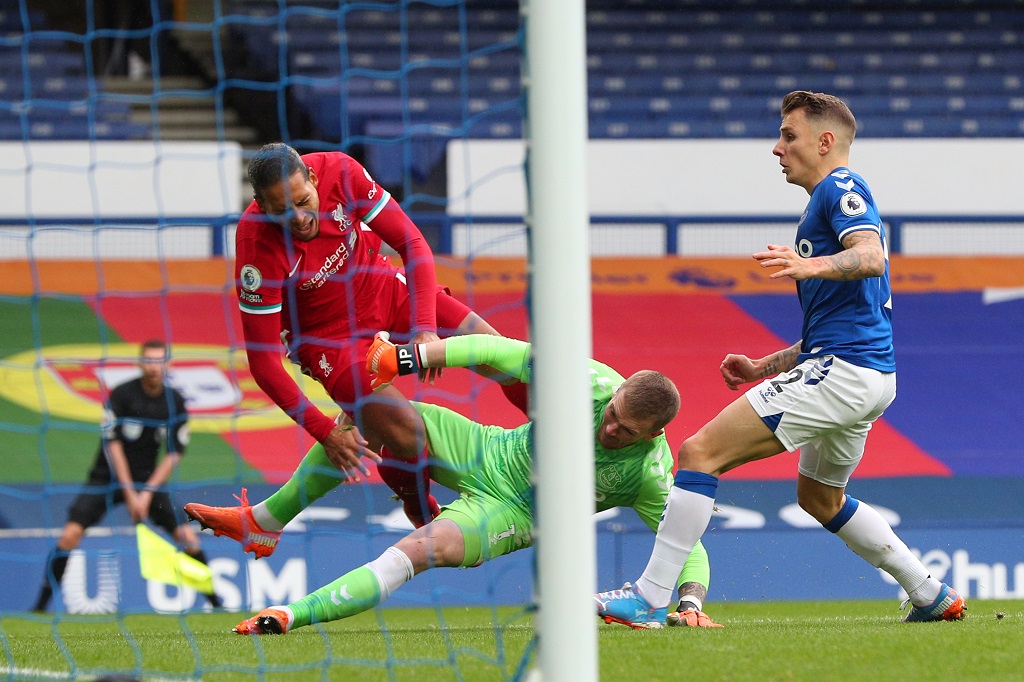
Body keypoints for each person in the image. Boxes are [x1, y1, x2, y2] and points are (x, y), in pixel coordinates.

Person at [594, 90, 967, 626]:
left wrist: (808, 265)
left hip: (843, 375)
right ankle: (929, 592)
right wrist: (764, 367)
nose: (777, 148)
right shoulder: (825, 204)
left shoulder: (841, 186)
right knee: (819, 497)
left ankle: (647, 596)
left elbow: (870, 256)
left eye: (789, 136)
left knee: (699, 452)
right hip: (865, 374)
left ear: (825, 141)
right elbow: (837, 325)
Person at [225, 332, 720, 634]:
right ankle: (265, 522)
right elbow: (495, 350)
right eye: (612, 416)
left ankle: (290, 615)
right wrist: (406, 358)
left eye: (626, 431)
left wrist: (691, 599)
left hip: (513, 513)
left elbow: (683, 543)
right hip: (486, 448)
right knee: (366, 417)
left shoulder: (651, 472)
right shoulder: (592, 382)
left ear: (654, 434)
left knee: (418, 551)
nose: (609, 429)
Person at [218, 142, 525, 537]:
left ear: (313, 179)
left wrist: (424, 329)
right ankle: (421, 511)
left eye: (303, 200)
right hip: (328, 340)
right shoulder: (256, 248)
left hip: (382, 288)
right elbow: (262, 363)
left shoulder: (341, 172)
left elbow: (411, 243)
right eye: (282, 211)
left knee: (501, 353)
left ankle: (557, 448)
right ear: (260, 205)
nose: (298, 217)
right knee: (407, 432)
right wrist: (325, 433)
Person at [33, 340, 220, 611]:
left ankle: (217, 604)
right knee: (70, 535)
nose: (154, 368)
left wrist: (145, 494)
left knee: (187, 537)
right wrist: (131, 493)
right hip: (106, 479)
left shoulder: (174, 401)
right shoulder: (122, 395)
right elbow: (113, 445)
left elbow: (173, 453)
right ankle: (40, 606)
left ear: (168, 364)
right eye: (149, 361)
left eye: (159, 361)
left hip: (149, 483)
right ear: (139, 363)